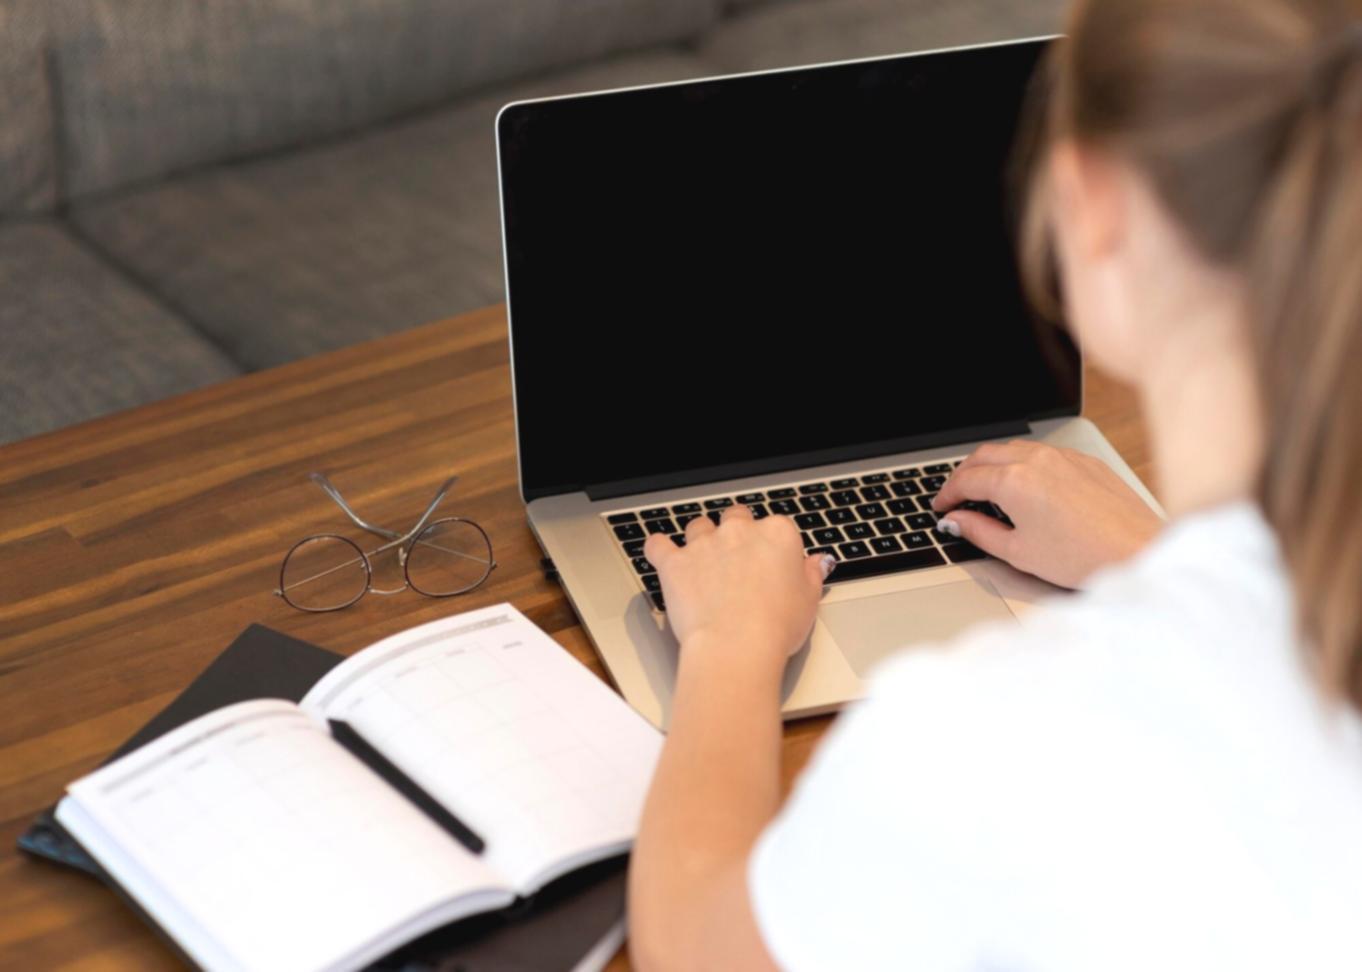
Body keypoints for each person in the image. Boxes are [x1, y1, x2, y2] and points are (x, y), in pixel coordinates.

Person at [625, 0, 1362, 968]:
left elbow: (697, 947)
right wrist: (1155, 560)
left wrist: (730, 644)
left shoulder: (976, 750)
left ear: (1091, 213)